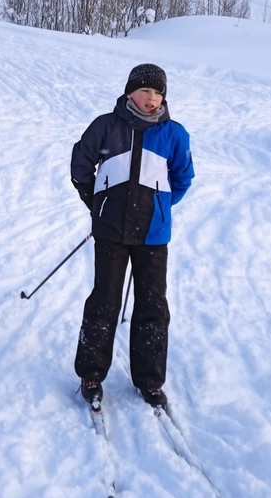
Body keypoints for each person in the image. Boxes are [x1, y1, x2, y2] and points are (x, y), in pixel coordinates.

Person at [70, 63, 194, 411]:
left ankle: (150, 379)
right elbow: (80, 165)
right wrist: (98, 202)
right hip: (110, 232)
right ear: (129, 93)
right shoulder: (106, 127)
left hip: (153, 235)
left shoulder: (174, 134)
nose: (151, 98)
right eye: (145, 91)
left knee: (153, 305)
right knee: (104, 301)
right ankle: (91, 374)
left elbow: (183, 178)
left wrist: (161, 207)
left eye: (158, 93)